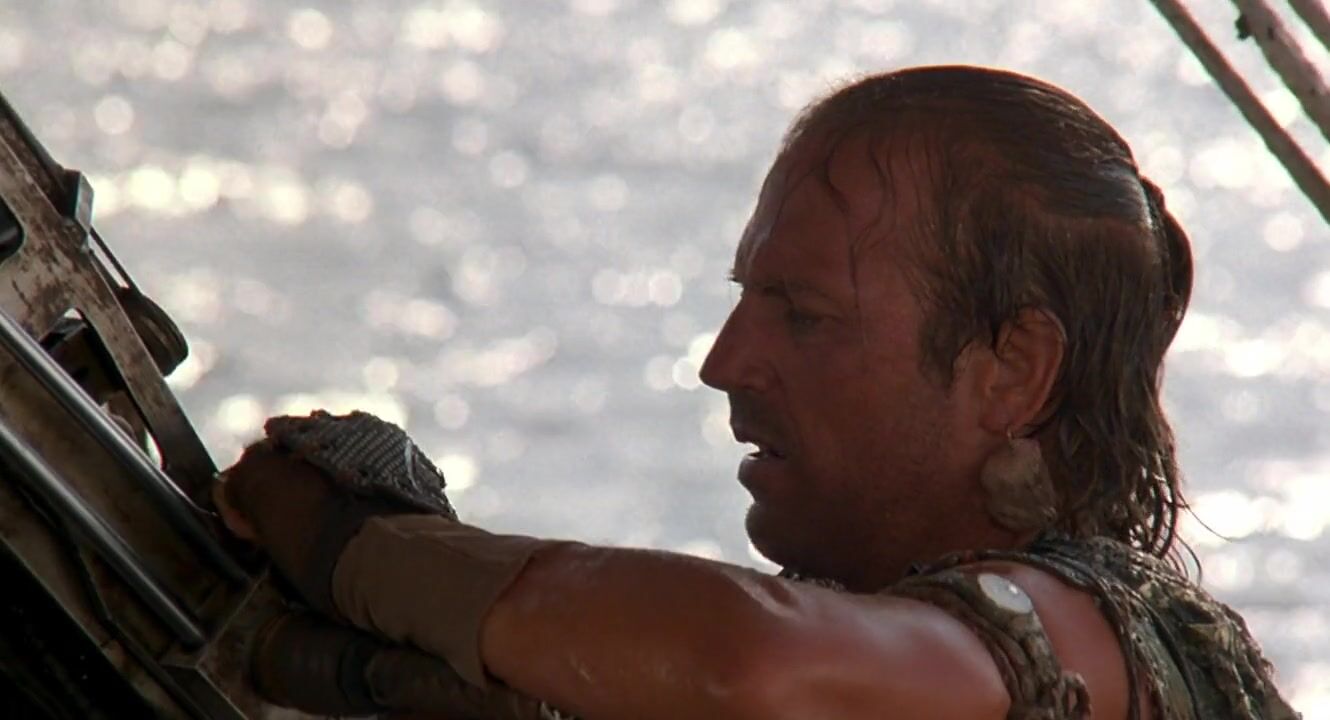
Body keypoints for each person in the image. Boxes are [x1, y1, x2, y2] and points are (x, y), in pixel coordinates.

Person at [215, 65, 1299, 719]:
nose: (725, 362)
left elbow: (749, 664)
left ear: (1012, 370)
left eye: (804, 315)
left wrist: (367, 551)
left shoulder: (1089, 631)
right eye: (746, 299)